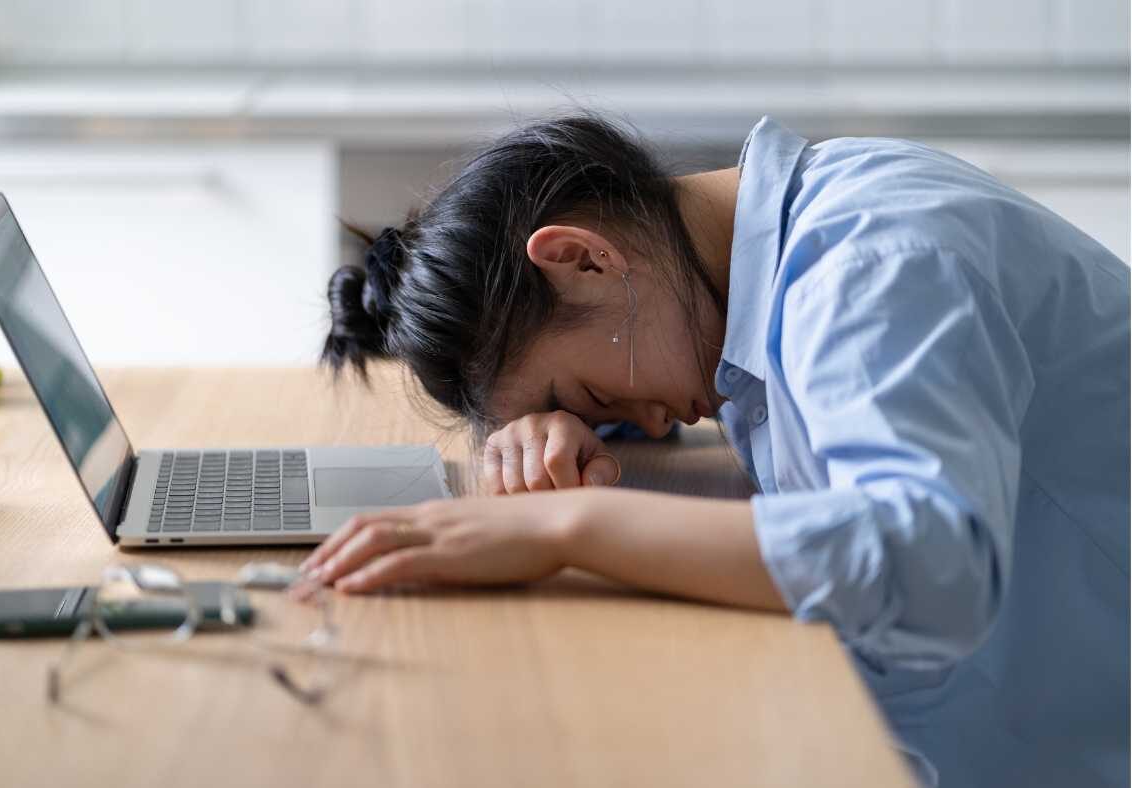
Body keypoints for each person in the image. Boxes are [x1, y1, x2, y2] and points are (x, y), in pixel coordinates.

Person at [298, 113, 1129, 787]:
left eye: (587, 394)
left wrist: (571, 527)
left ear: (583, 258)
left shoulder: (872, 266)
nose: (644, 419)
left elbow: (929, 567)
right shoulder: (780, 243)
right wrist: (561, 429)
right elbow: (789, 392)